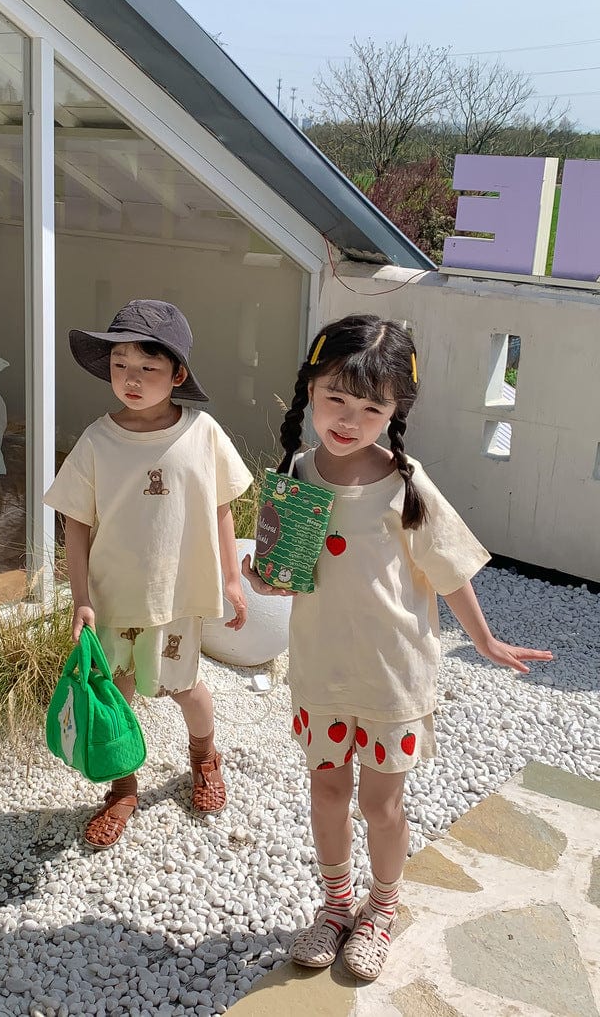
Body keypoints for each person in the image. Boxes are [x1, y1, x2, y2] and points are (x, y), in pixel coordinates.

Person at [242, 313, 552, 981]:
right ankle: (336, 906)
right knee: (327, 791)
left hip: (392, 678)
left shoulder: (405, 482)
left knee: (380, 803)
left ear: (394, 412)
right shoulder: (297, 470)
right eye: (336, 398)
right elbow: (285, 572)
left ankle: (381, 909)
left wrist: (486, 639)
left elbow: (451, 570)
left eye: (371, 408)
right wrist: (261, 576)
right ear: (311, 389)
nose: (349, 419)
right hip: (322, 670)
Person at [45, 299, 252, 849]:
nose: (131, 380)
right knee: (117, 696)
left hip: (177, 596)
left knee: (185, 687)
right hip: (114, 597)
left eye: (147, 367)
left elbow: (221, 506)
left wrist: (232, 579)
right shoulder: (97, 440)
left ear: (177, 374)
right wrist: (81, 598)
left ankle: (204, 755)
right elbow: (76, 524)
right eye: (120, 366)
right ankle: (122, 786)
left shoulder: (203, 432)